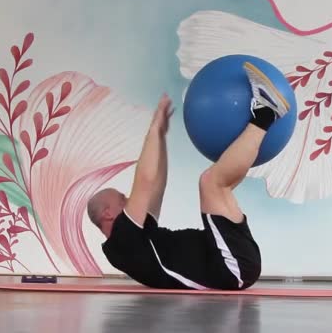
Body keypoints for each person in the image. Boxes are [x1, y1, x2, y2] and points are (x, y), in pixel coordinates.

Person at [86, 62, 290, 290]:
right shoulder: (121, 242)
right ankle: (265, 114)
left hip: (231, 257)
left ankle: (264, 116)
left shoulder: (138, 240)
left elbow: (155, 186)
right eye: (122, 199)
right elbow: (144, 181)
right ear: (107, 213)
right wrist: (152, 129)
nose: (128, 200)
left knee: (218, 184)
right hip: (230, 267)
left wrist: (161, 136)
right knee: (211, 183)